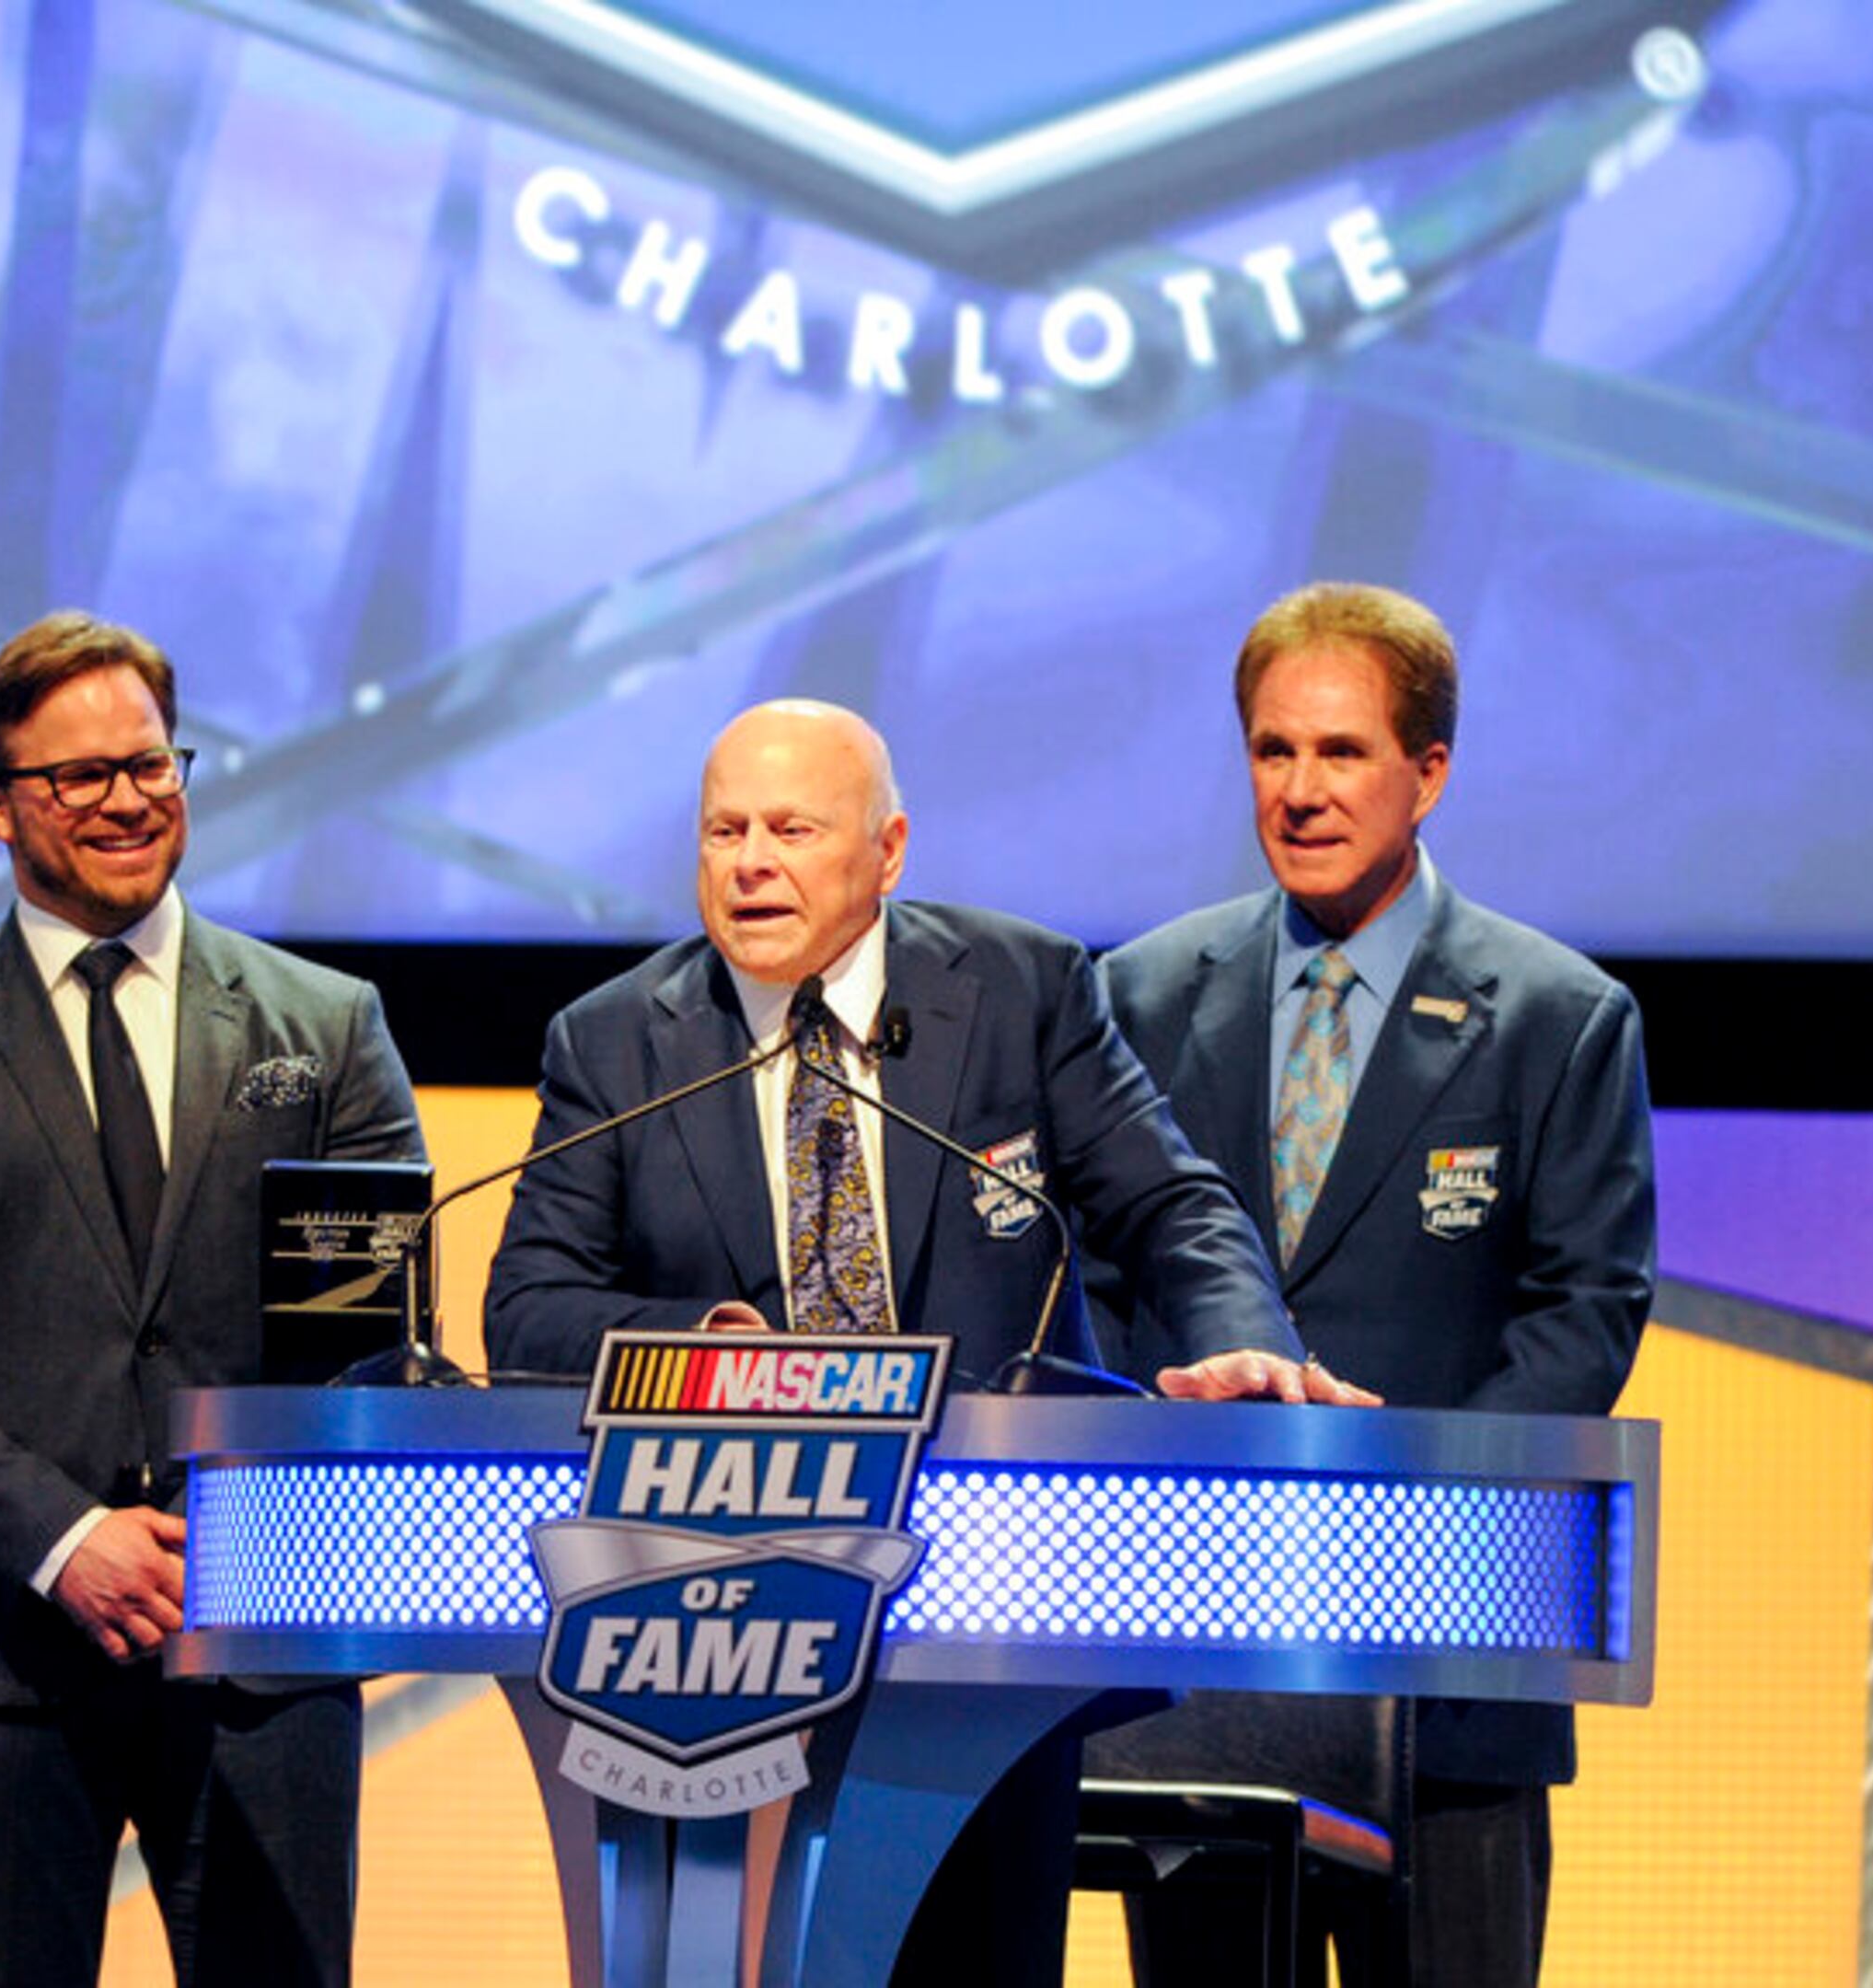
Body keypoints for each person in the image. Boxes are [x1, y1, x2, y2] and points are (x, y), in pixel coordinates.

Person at [483, 696, 1364, 1985]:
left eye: (791, 827)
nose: (751, 862)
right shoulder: (617, 1041)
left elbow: (1171, 1202)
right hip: (717, 1614)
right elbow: (529, 1310)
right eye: (725, 829)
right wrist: (713, 1342)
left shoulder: (1018, 990)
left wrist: (1240, 1341)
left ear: (888, 851)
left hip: (991, 1607)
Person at [0, 610, 422, 1988]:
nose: (128, 798)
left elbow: (361, 1342)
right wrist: (69, 1537)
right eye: (80, 776)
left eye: (151, 762)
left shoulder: (325, 1027)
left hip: (264, 1639)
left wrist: (232, 1536)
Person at [1097, 581, 1656, 1988]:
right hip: (1199, 1667)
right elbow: (1091, 1276)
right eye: (1273, 752)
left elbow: (1583, 1311)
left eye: (1341, 753)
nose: (1300, 791)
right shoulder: (1143, 997)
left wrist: (1393, 1519)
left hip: (1447, 1678)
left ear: (1430, 772)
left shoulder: (1558, 1019)